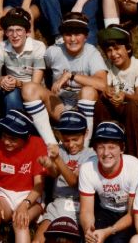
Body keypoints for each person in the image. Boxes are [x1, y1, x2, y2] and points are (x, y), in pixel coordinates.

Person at [23, 111, 94, 243]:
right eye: (66, 140)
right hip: (57, 205)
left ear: (86, 134)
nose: (71, 144)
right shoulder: (60, 150)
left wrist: (56, 160)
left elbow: (74, 182)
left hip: (79, 207)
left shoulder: (90, 156)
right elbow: (55, 172)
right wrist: (48, 164)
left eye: (76, 139)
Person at [0, 110, 48, 243]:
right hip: (4, 193)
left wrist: (25, 204)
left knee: (21, 222)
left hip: (30, 195)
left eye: (13, 139)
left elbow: (39, 185)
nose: (6, 142)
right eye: (4, 135)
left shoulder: (37, 144)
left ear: (25, 138)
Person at [0, 7, 49, 150]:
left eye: (19, 30)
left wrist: (17, 83)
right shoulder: (1, 48)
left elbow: (35, 85)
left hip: (31, 94)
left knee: (12, 94)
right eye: (10, 30)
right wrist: (2, 79)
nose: (14, 35)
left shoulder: (38, 47)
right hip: (9, 86)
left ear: (27, 32)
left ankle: (18, 141)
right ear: (6, 33)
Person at [41, 11, 110, 145]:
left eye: (77, 34)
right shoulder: (53, 51)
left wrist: (71, 76)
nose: (73, 39)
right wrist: (44, 85)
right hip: (59, 105)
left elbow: (102, 84)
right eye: (68, 34)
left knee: (88, 91)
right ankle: (51, 142)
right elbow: (40, 68)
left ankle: (85, 144)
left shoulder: (92, 53)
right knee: (31, 89)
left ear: (86, 36)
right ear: (62, 36)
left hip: (82, 106)